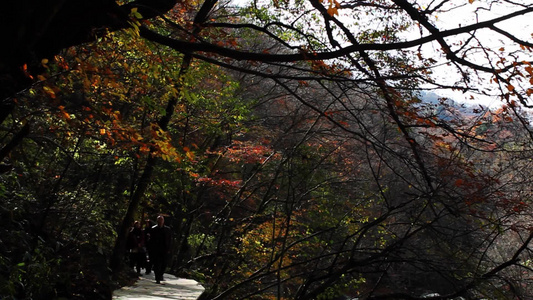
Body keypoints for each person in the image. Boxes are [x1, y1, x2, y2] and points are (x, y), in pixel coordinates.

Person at [150, 215, 171, 284]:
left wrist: (169, 248)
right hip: (156, 249)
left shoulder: (167, 229)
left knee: (164, 264)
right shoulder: (153, 229)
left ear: (163, 221)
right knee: (156, 264)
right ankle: (157, 278)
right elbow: (151, 240)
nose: (160, 221)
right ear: (157, 221)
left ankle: (160, 274)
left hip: (164, 249)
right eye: (159, 220)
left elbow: (170, 240)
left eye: (161, 220)